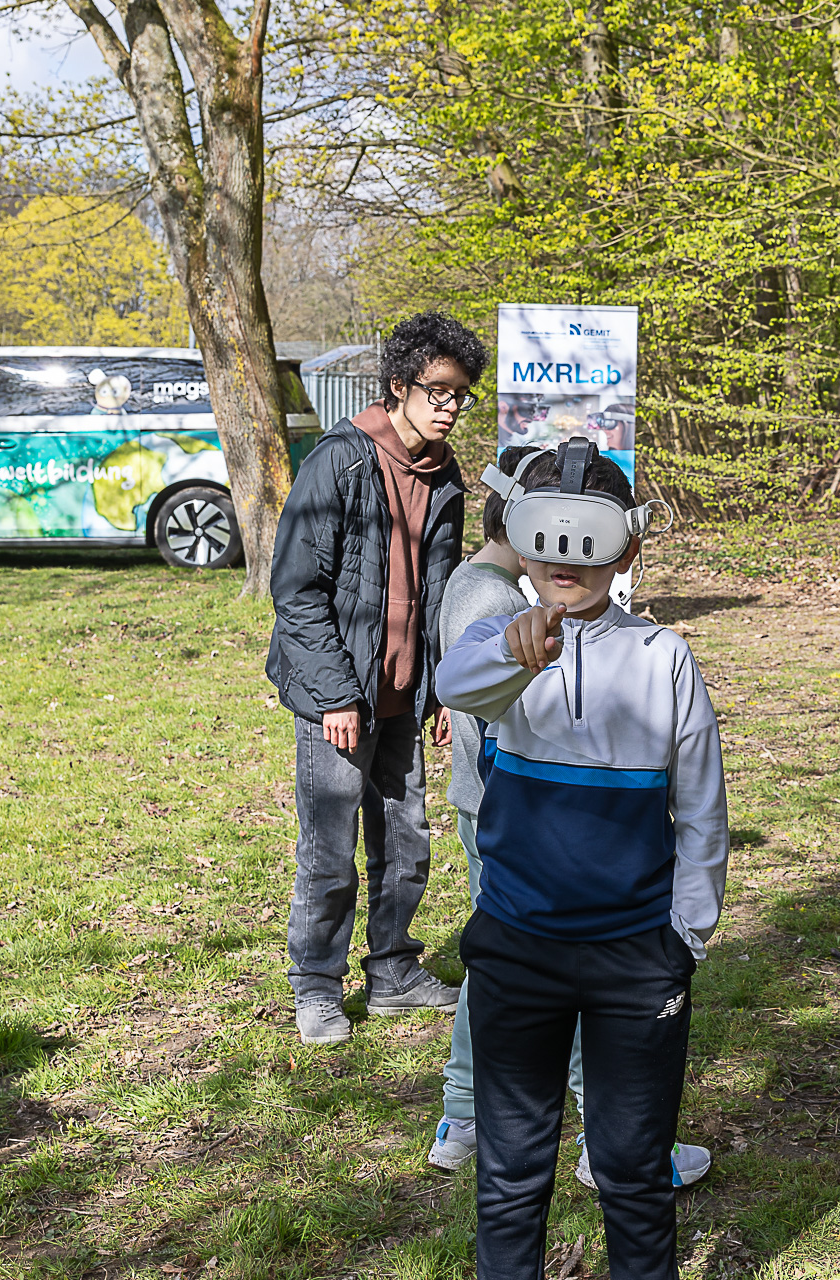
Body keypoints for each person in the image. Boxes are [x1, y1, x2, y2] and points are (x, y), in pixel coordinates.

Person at [436, 440, 725, 1280]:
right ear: (522, 542)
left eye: (590, 540)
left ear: (628, 546)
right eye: (549, 540)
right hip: (516, 949)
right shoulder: (496, 643)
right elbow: (457, 683)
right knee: (512, 1176)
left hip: (638, 958)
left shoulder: (663, 657)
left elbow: (704, 811)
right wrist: (516, 648)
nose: (569, 562)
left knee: (635, 1175)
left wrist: (688, 937)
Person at [266, 312, 487, 1047]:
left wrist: (447, 688)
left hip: (407, 693)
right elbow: (297, 589)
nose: (451, 406)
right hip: (337, 694)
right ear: (399, 385)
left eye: (462, 395)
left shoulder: (446, 474)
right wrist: (333, 693)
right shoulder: (340, 460)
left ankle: (392, 972)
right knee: (328, 848)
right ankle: (317, 987)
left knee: (405, 841)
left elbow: (448, 590)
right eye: (439, 391)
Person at [427, 444, 587, 1171]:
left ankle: (464, 1115)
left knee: (498, 964)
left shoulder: (474, 582)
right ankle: (475, 1117)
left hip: (481, 804)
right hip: (501, 811)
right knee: (533, 969)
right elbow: (502, 714)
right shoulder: (494, 602)